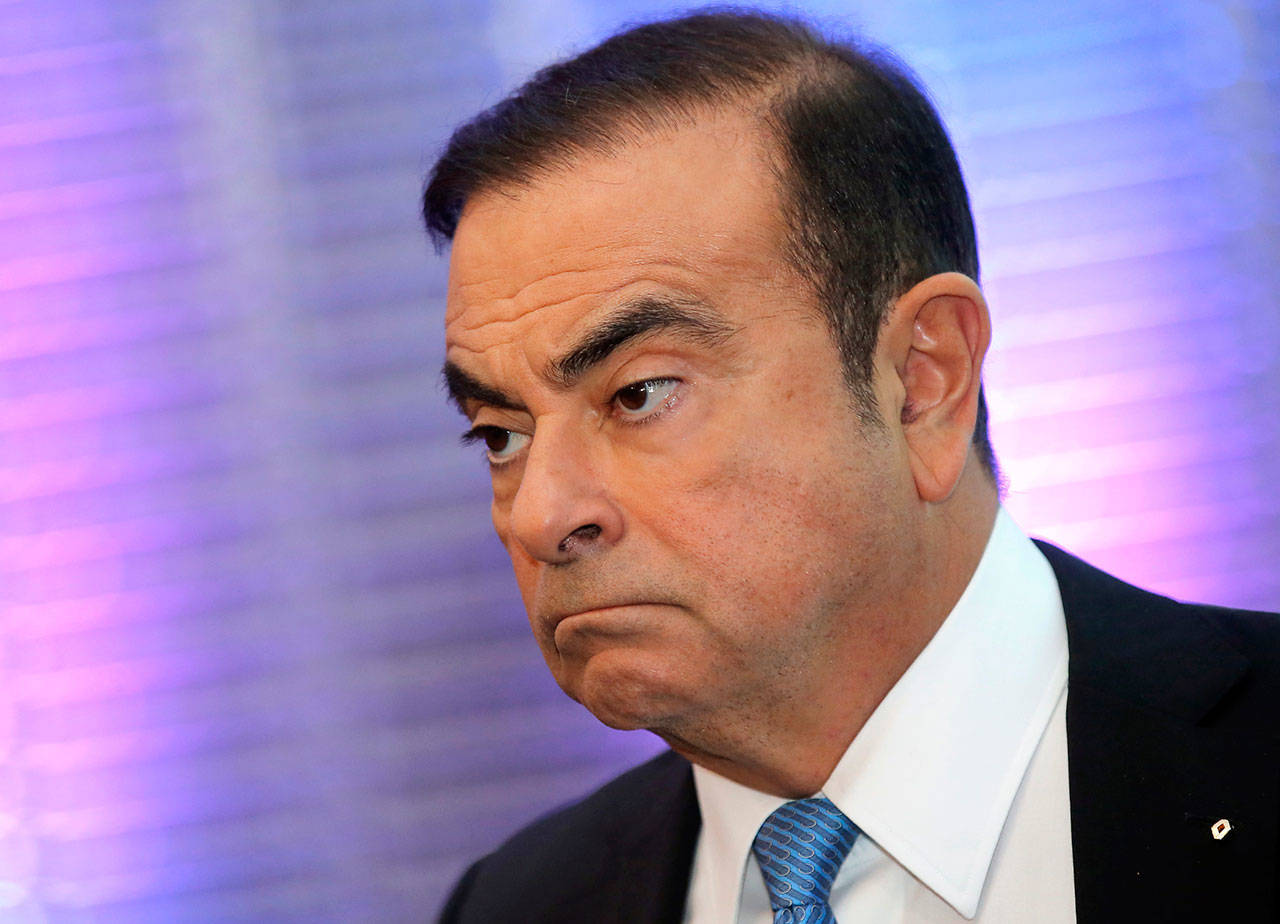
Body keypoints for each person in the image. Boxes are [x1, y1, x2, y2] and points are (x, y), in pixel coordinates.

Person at [423, 10, 1280, 923]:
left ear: (923, 382)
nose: (540, 514)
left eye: (639, 394)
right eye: (501, 434)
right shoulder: (515, 906)